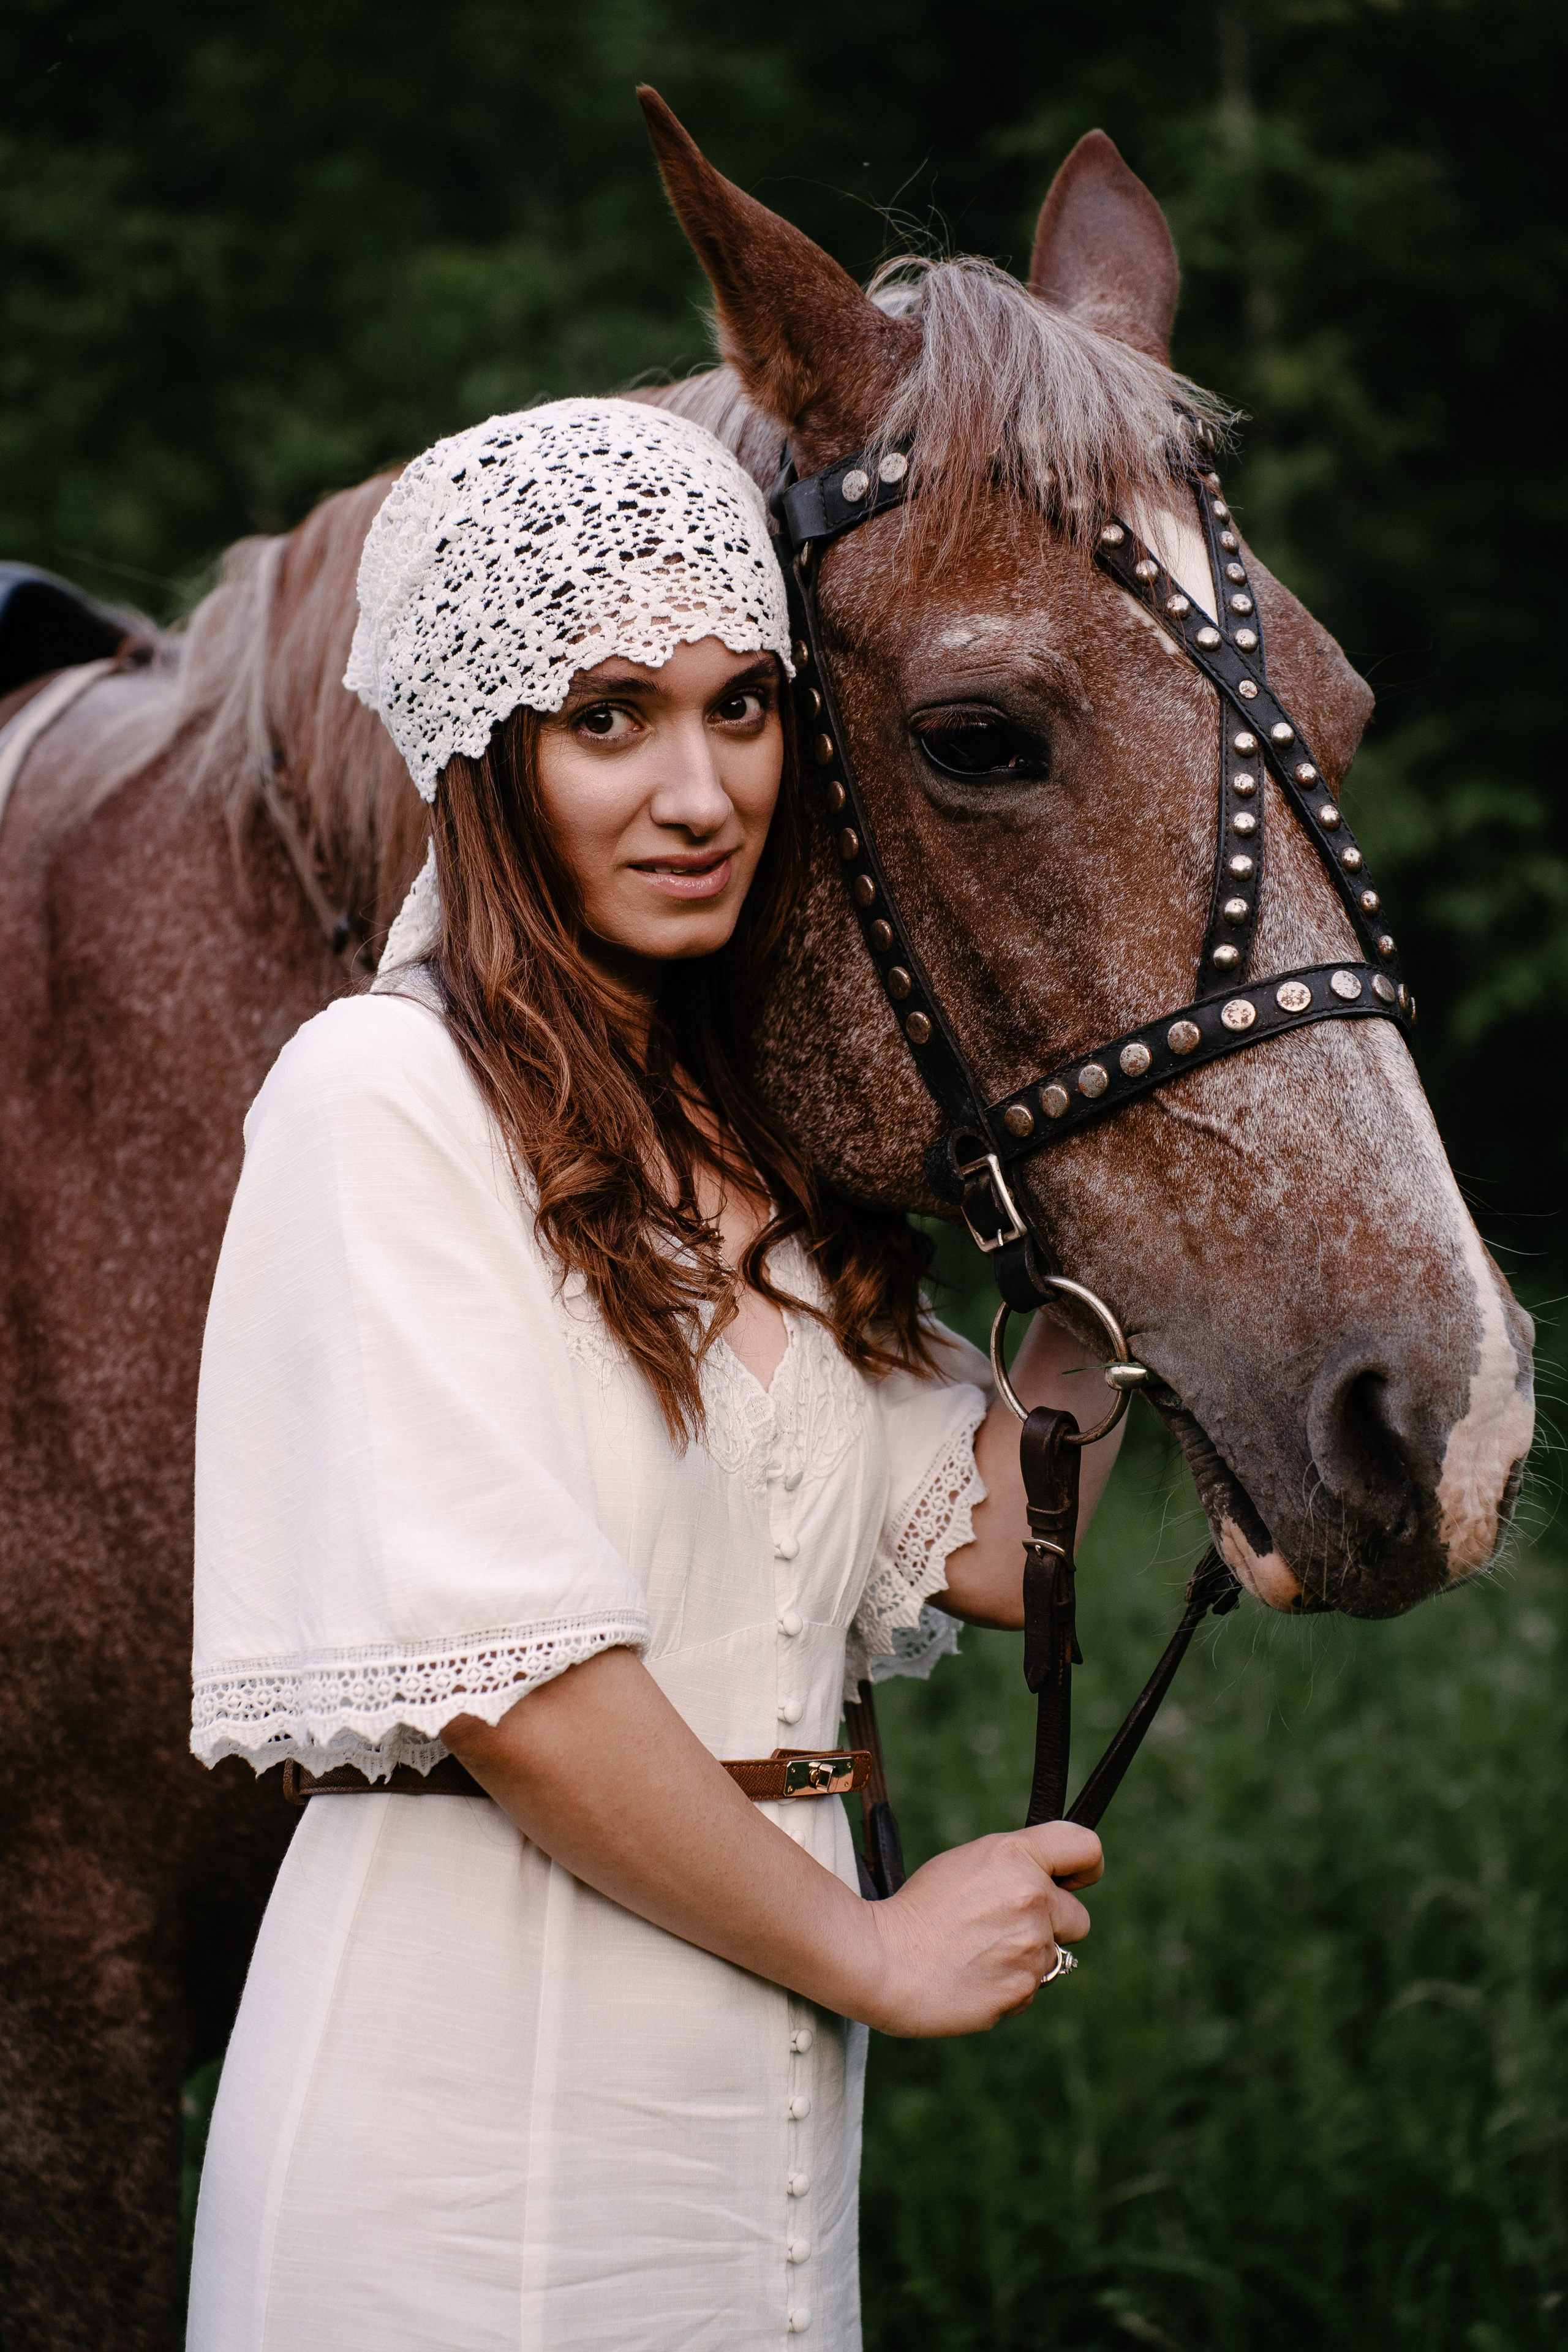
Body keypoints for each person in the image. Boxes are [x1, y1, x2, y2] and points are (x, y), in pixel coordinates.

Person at [186, 399, 1115, 2351]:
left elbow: (1004, 1549)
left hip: (748, 2140)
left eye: (739, 708)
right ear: (485, 755)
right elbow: (521, 1690)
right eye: (608, 718)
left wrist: (1144, 1264)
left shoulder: (748, 1146)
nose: (698, 792)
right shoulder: (386, 1100)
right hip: (461, 2140)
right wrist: (870, 1948)